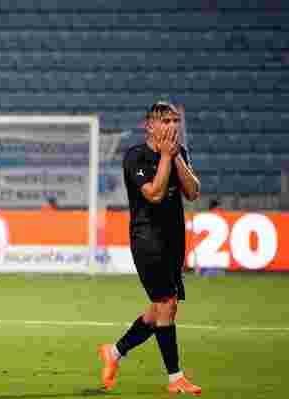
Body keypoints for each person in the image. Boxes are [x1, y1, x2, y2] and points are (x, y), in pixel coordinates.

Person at [98, 102, 202, 395]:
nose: (172, 126)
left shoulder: (178, 152)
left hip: (173, 239)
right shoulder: (135, 156)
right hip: (147, 239)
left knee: (161, 309)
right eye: (165, 121)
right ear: (150, 126)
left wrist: (176, 157)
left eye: (175, 120)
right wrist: (167, 158)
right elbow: (154, 194)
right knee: (167, 303)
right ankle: (175, 377)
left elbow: (193, 192)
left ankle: (114, 352)